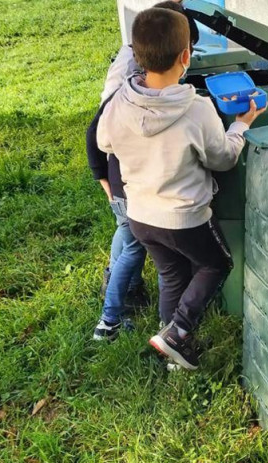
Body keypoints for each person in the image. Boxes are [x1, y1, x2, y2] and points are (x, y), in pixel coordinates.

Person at [97, 7, 266, 369]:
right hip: (185, 218)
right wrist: (241, 126)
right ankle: (178, 331)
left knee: (171, 274)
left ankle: (170, 348)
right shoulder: (197, 109)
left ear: (135, 53)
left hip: (141, 215)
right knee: (217, 265)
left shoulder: (118, 104)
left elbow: (105, 142)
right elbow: (223, 159)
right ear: (186, 55)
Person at [86, 1, 199, 341]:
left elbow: (98, 132)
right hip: (129, 187)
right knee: (137, 247)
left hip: (120, 183)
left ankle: (129, 290)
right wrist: (103, 179)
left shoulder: (131, 77)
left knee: (128, 237)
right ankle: (109, 320)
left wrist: (103, 178)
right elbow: (95, 131)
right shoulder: (131, 90)